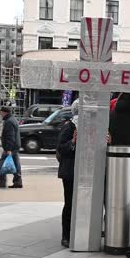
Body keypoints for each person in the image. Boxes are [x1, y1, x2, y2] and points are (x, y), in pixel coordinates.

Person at [56, 99, 78, 248]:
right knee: (69, 203)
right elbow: (61, 148)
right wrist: (73, 142)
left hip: (84, 172)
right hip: (70, 171)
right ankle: (66, 235)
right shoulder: (69, 127)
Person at [0, 107, 22, 189]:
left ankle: (2, 182)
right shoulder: (12, 119)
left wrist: (8, 149)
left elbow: (10, 136)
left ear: (4, 112)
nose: (0, 114)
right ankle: (18, 181)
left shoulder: (9, 121)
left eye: (1, 112)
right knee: (16, 164)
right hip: (15, 146)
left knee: (1, 164)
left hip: (10, 147)